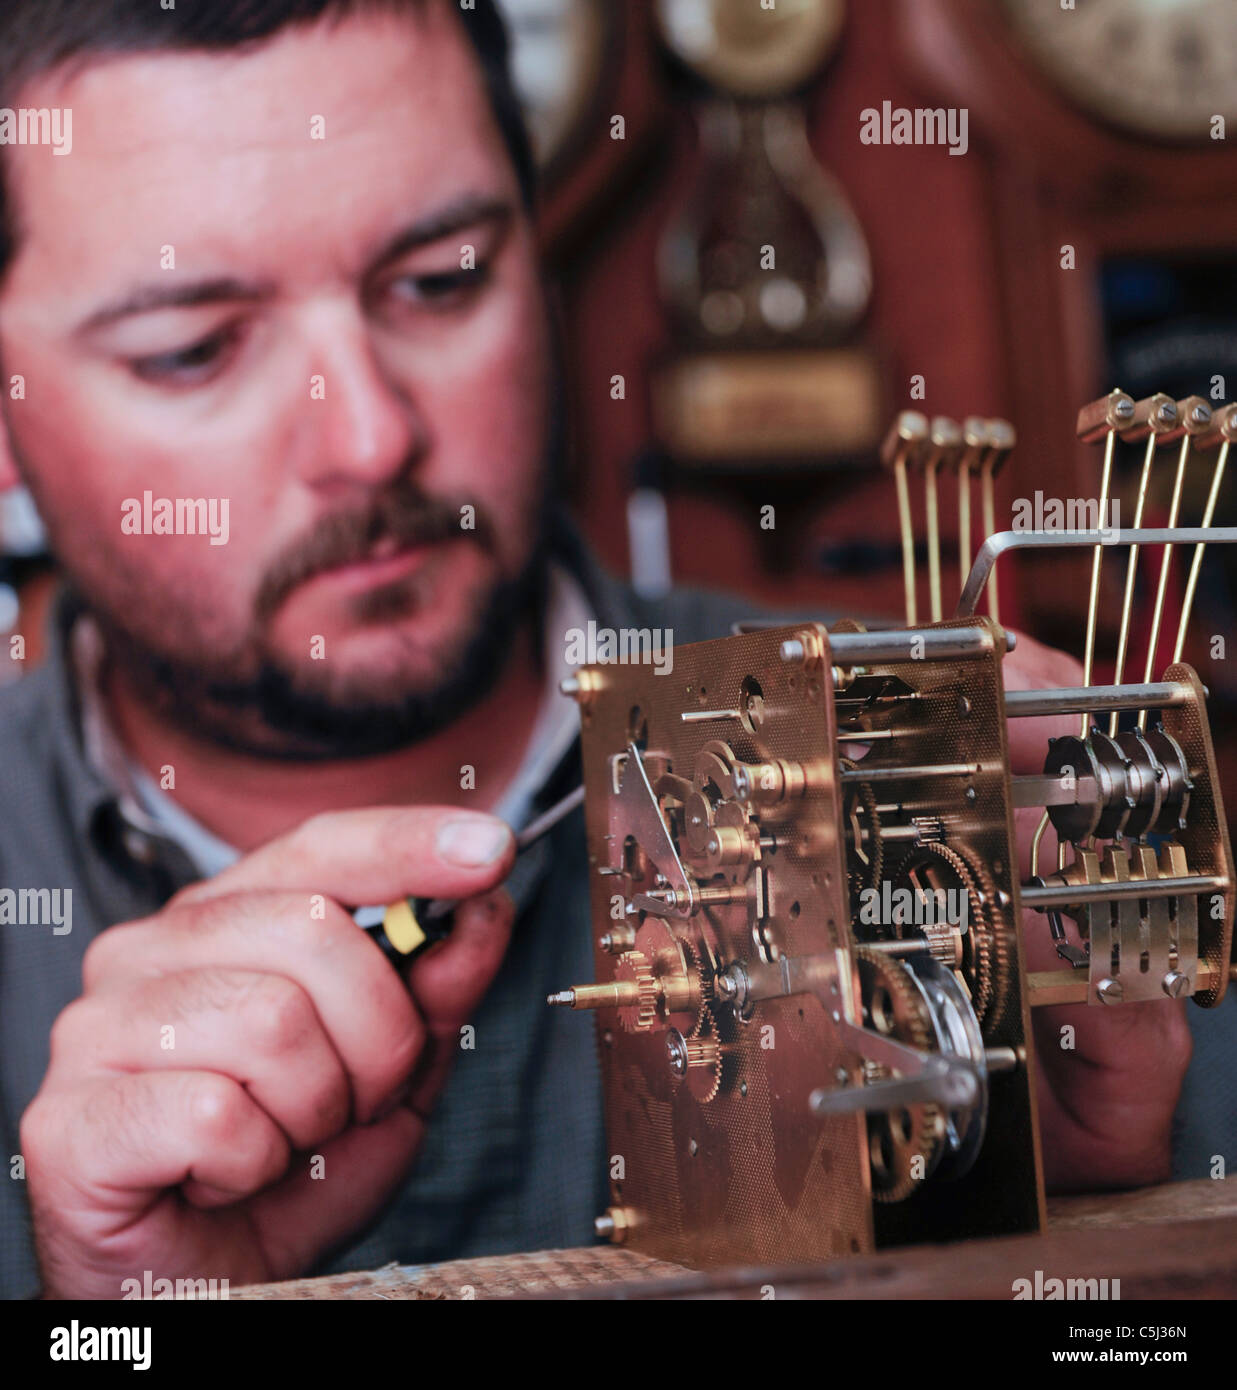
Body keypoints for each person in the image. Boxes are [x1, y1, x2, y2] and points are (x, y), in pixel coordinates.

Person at [0, 0, 1196, 1301]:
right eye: (193, 349)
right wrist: (110, 1319)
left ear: (540, 260)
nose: (369, 439)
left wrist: (1100, 1241)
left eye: (442, 278)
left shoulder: (942, 784)